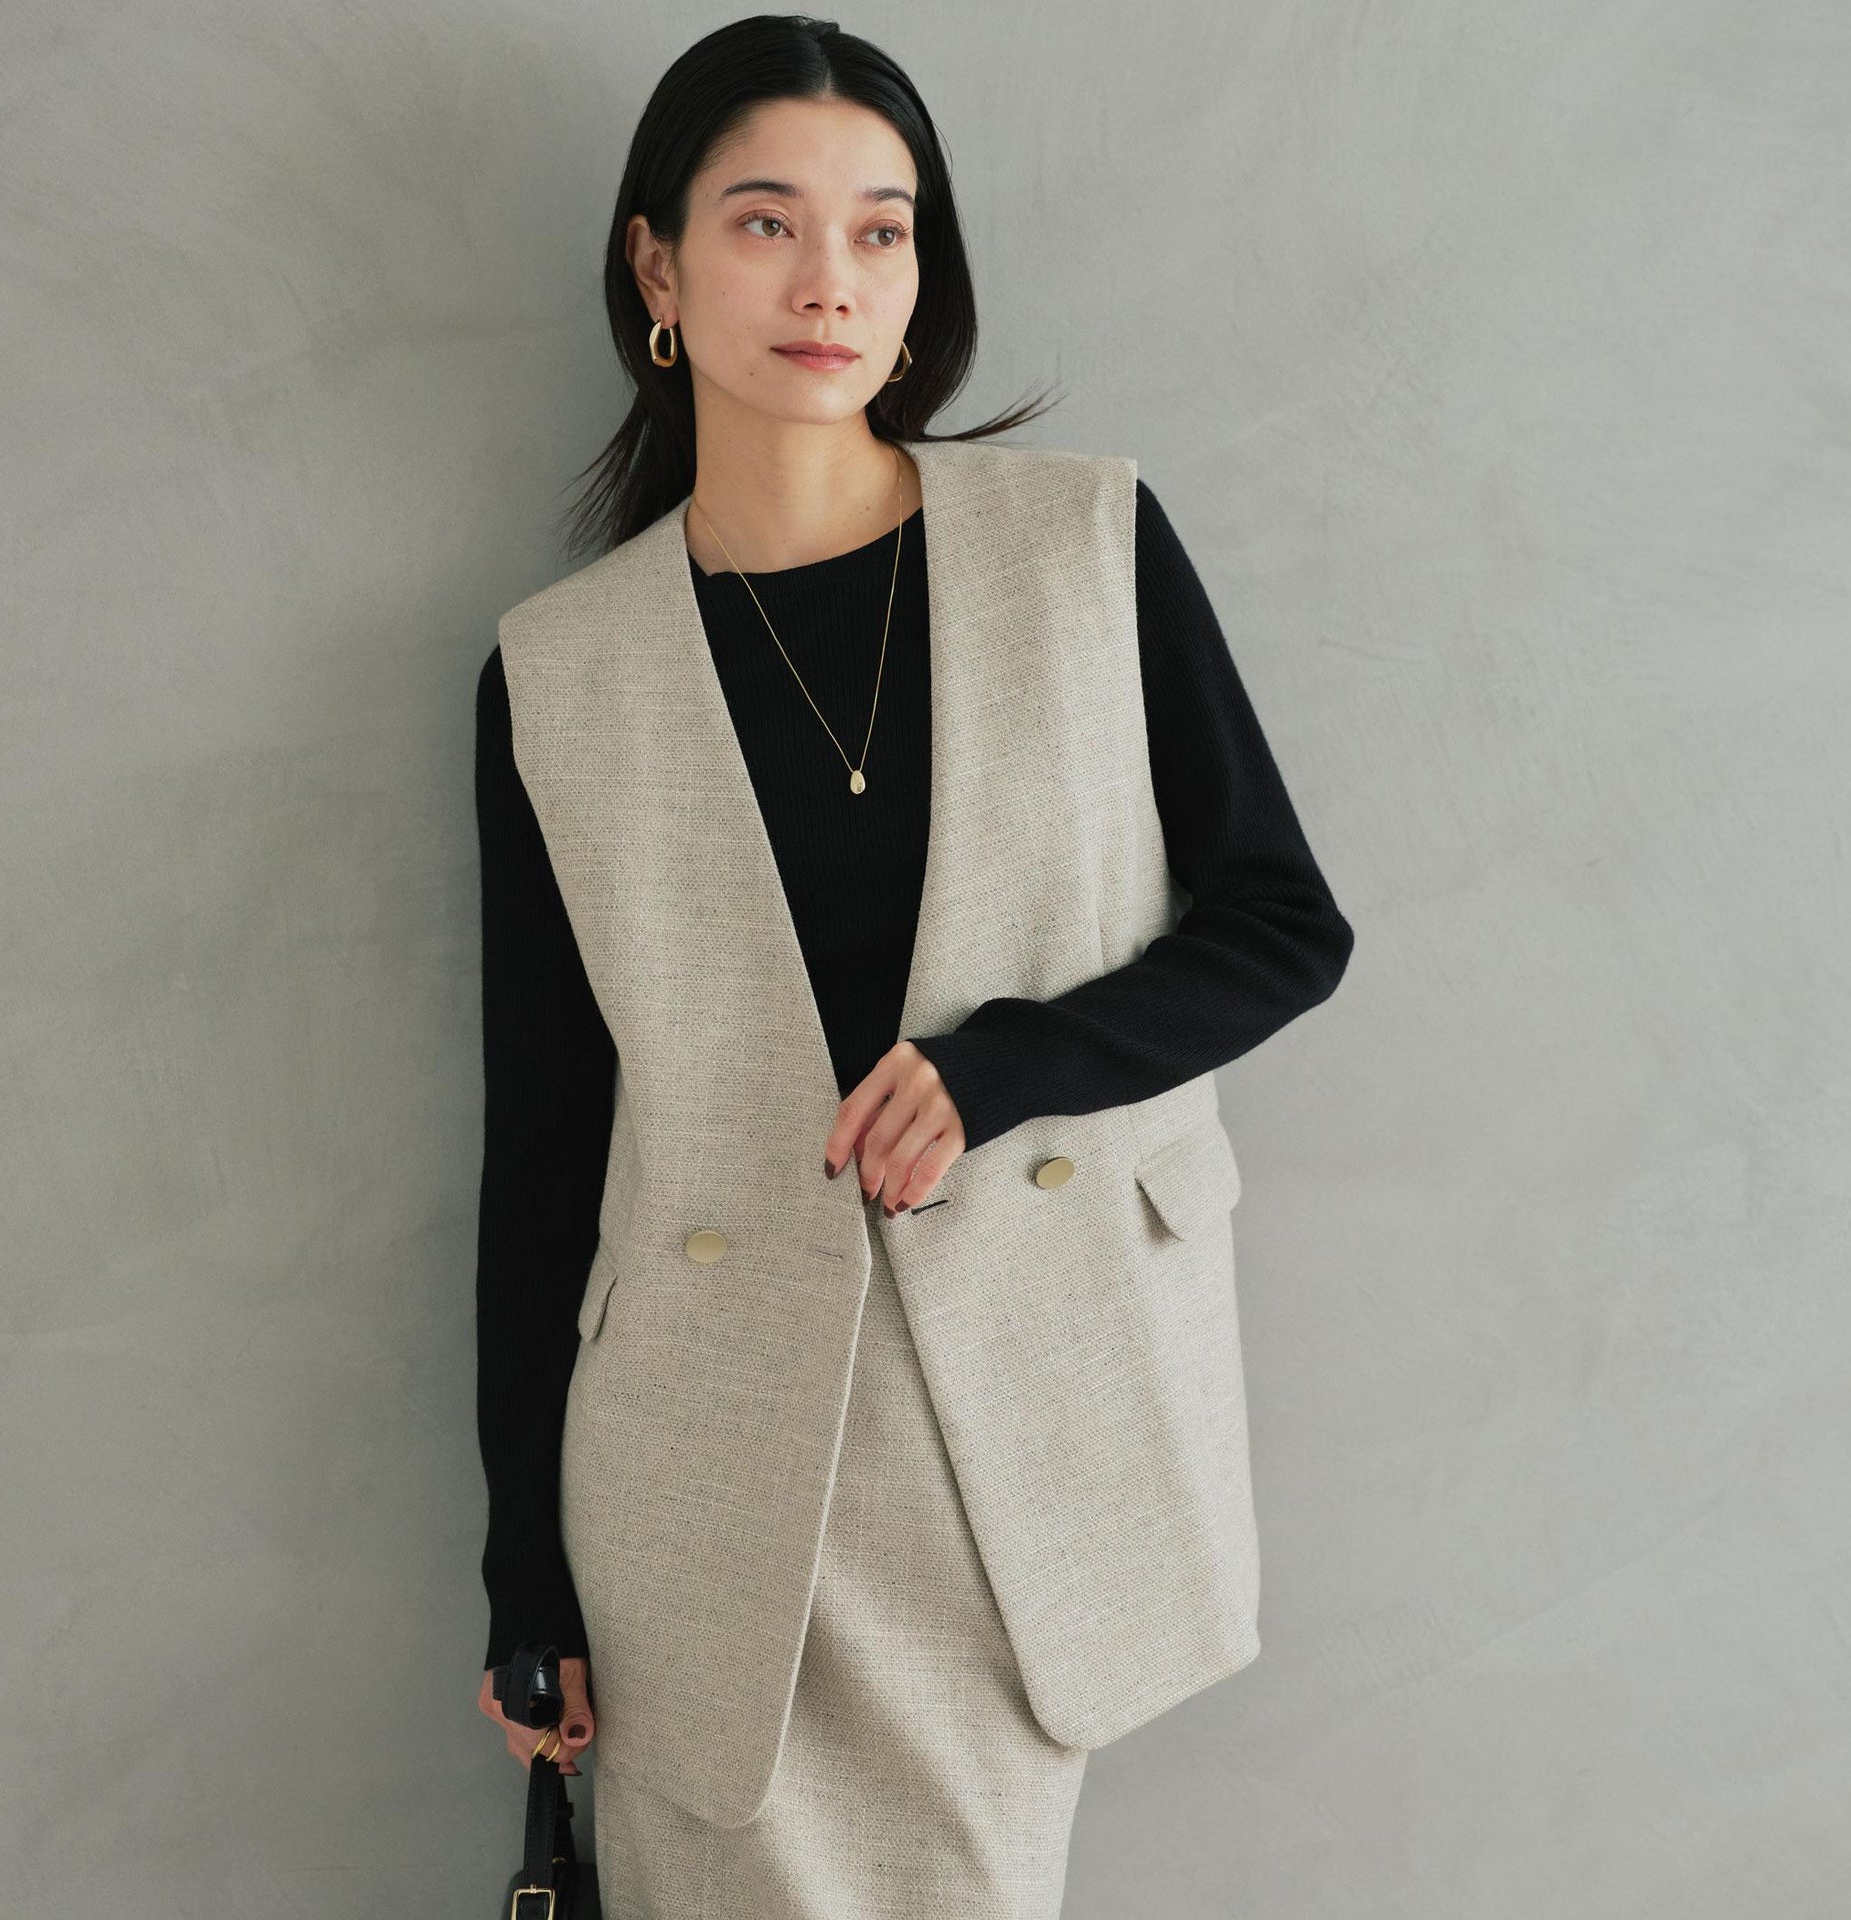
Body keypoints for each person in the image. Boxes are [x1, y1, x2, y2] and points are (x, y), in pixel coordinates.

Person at [471, 17, 1354, 1917]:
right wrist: (524, 1580)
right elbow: (543, 1149)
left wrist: (1003, 1063)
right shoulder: (560, 674)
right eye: (767, 223)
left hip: (1013, 1447)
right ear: (656, 267)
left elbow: (1284, 926)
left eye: (883, 230)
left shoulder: (1085, 547)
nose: (831, 281)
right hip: (697, 1480)